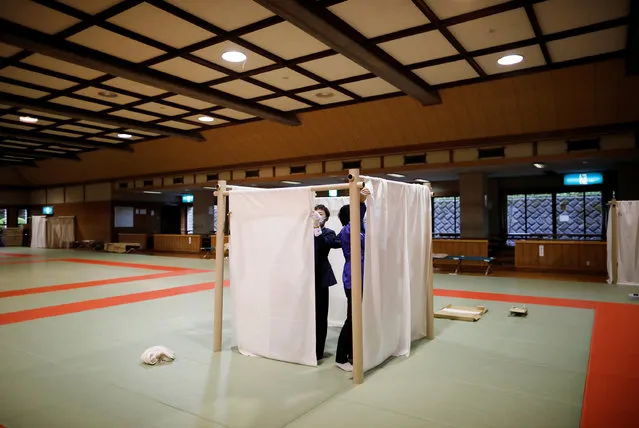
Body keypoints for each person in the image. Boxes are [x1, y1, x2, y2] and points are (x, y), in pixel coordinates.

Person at [335, 188, 370, 372]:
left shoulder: (358, 228)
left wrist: (362, 199)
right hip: (353, 277)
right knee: (352, 318)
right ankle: (341, 358)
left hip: (361, 276)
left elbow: (361, 211)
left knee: (358, 317)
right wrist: (360, 201)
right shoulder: (348, 230)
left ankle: (351, 353)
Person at [311, 204, 341, 362]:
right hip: (306, 279)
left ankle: (318, 351)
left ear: (326, 218)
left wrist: (316, 227)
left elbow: (323, 245)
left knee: (320, 316)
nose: (317, 215)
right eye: (315, 213)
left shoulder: (328, 232)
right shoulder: (304, 232)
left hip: (321, 278)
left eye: (320, 214)